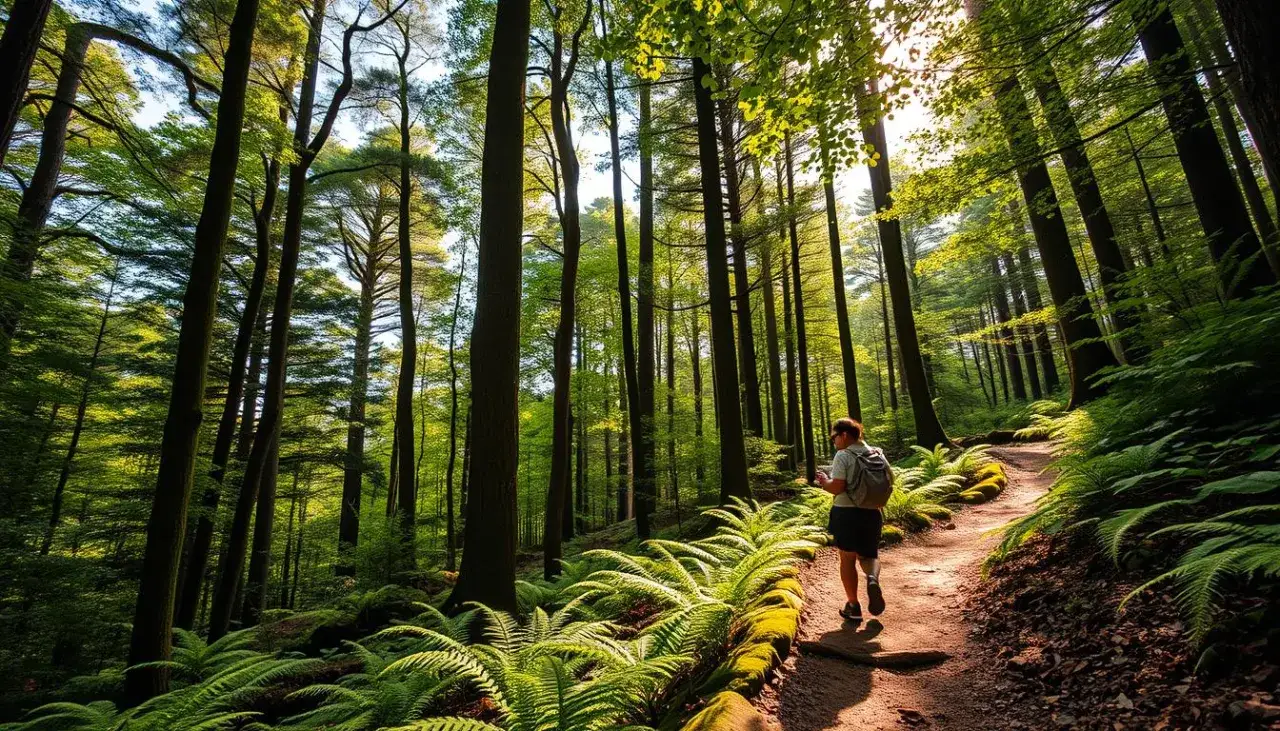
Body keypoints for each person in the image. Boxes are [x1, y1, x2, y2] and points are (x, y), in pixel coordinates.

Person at [815, 417, 886, 625]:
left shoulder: (843, 455)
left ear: (844, 435)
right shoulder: (877, 453)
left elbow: (837, 488)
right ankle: (872, 578)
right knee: (869, 555)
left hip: (845, 513)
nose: (833, 441)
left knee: (847, 559)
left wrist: (824, 482)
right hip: (872, 512)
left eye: (834, 437)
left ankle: (853, 606)